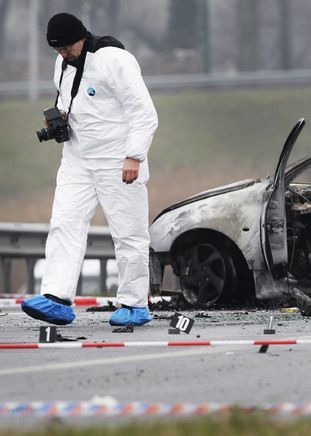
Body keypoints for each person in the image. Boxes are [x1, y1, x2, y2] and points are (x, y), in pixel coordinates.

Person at [21, 12, 158, 326]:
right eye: (57, 50)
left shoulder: (114, 60)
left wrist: (134, 156)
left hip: (118, 160)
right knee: (64, 224)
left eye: (67, 47)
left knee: (129, 233)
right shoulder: (63, 64)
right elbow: (76, 101)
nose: (63, 54)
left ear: (81, 37)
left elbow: (144, 112)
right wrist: (59, 117)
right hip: (77, 160)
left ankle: (134, 304)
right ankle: (56, 297)